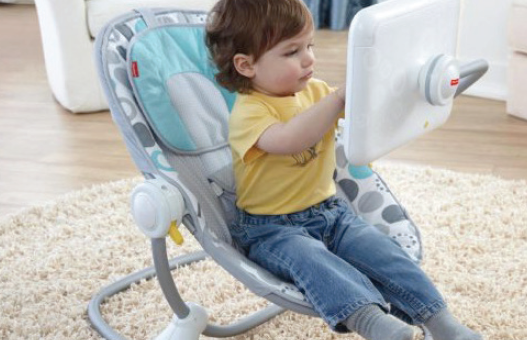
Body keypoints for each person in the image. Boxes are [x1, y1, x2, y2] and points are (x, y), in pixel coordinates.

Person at [206, 1, 483, 340]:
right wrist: (337, 100)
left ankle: (442, 323)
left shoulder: (317, 92)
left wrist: (404, 89)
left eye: (310, 45)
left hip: (333, 214)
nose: (308, 58)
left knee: (386, 255)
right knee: (315, 262)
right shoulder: (249, 112)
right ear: (246, 65)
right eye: (292, 51)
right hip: (272, 230)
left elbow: (368, 118)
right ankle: (374, 324)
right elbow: (290, 139)